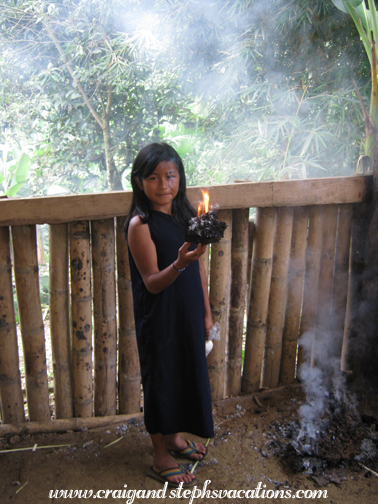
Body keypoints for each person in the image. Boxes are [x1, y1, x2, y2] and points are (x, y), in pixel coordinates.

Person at [124, 142, 214, 488]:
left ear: (180, 177)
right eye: (154, 177)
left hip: (188, 311)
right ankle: (161, 457)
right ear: (139, 182)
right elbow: (152, 283)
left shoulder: (185, 215)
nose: (164, 185)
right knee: (162, 381)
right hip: (159, 317)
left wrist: (206, 312)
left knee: (182, 373)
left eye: (171, 175)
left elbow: (199, 269)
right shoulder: (140, 225)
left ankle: (175, 439)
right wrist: (179, 263)